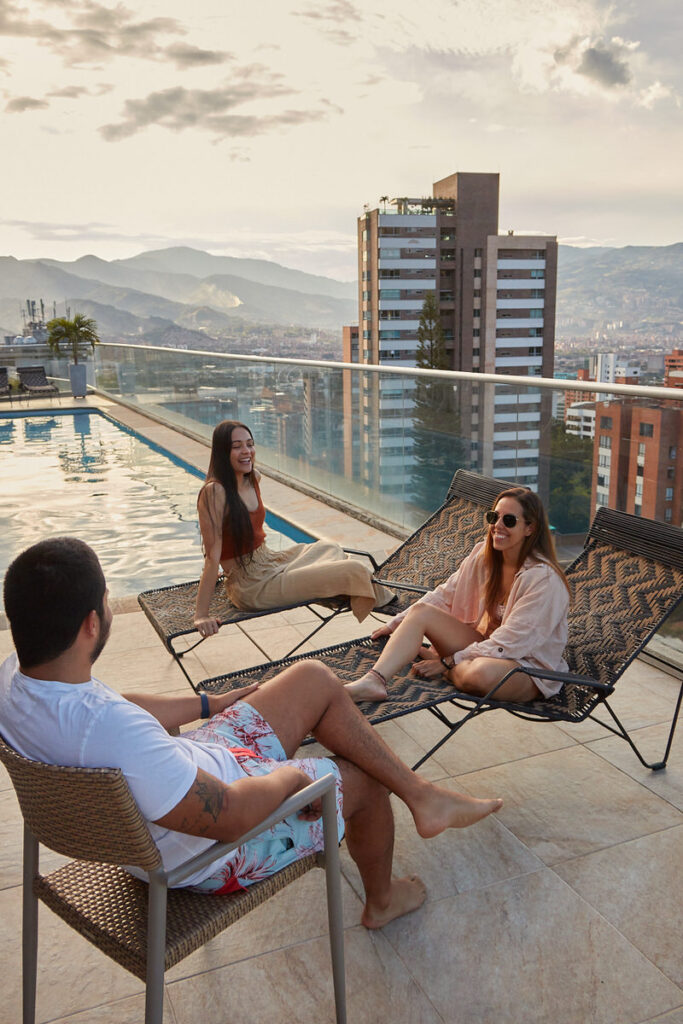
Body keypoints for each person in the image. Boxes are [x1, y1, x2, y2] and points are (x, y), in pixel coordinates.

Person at [1, 537, 502, 929]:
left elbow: (122, 706)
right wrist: (289, 778)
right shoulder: (114, 734)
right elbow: (231, 818)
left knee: (312, 678)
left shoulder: (16, 681)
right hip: (209, 851)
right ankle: (382, 901)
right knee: (363, 780)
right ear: (92, 624)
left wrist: (208, 704)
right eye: (107, 602)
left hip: (187, 775)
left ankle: (423, 797)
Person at [347, 487, 570, 704]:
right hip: (485, 646)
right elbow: (445, 594)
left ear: (530, 528)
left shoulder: (543, 580)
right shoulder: (485, 557)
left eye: (509, 520)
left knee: (479, 674)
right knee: (420, 612)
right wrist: (397, 623)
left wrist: (447, 663)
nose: (497, 526)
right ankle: (374, 681)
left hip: (525, 667)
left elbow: (513, 643)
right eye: (493, 517)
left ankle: (447, 666)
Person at [193, 420, 394, 638]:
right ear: (223, 452)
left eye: (250, 444)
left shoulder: (253, 479)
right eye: (237, 446)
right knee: (354, 569)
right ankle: (395, 603)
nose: (246, 451)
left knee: (328, 547)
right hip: (252, 586)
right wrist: (201, 615)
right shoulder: (214, 492)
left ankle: (337, 584)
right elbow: (212, 558)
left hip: (271, 561)